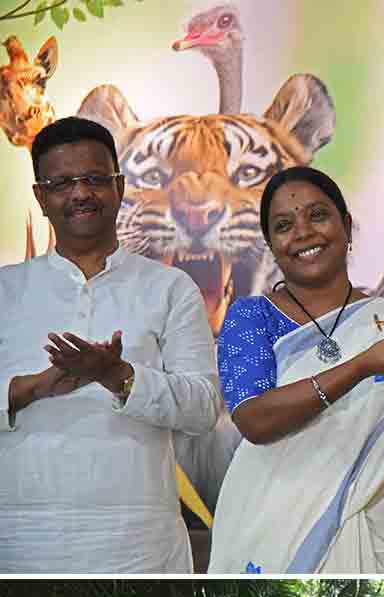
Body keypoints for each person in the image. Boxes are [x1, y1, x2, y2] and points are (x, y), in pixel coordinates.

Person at [208, 167, 384, 573]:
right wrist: (359, 367)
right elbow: (254, 419)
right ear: (271, 244)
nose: (303, 232)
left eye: (318, 216)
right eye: (284, 225)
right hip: (271, 526)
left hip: (379, 529)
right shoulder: (250, 318)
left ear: (347, 227)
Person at [0, 117, 221, 573]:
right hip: (21, 542)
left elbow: (202, 409)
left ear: (118, 188)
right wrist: (32, 388)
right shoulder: (6, 290)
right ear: (41, 198)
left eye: (95, 179)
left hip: (140, 545)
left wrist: (117, 377)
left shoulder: (170, 288)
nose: (80, 193)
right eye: (61, 183)